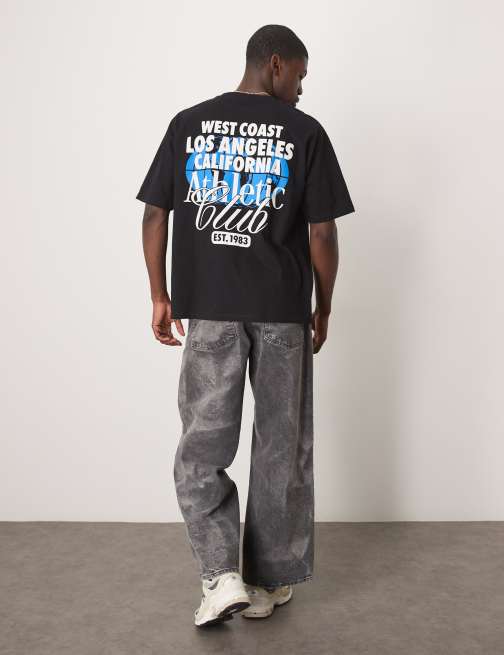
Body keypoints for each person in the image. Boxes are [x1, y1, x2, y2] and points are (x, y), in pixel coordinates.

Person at [136, 24, 355, 627]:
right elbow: (322, 232)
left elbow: (155, 214)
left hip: (209, 308)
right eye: (300, 76)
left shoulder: (188, 124)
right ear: (276, 64)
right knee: (282, 446)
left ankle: (220, 576)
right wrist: (325, 303)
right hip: (283, 311)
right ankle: (267, 581)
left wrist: (160, 294)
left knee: (203, 445)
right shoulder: (304, 132)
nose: (302, 91)